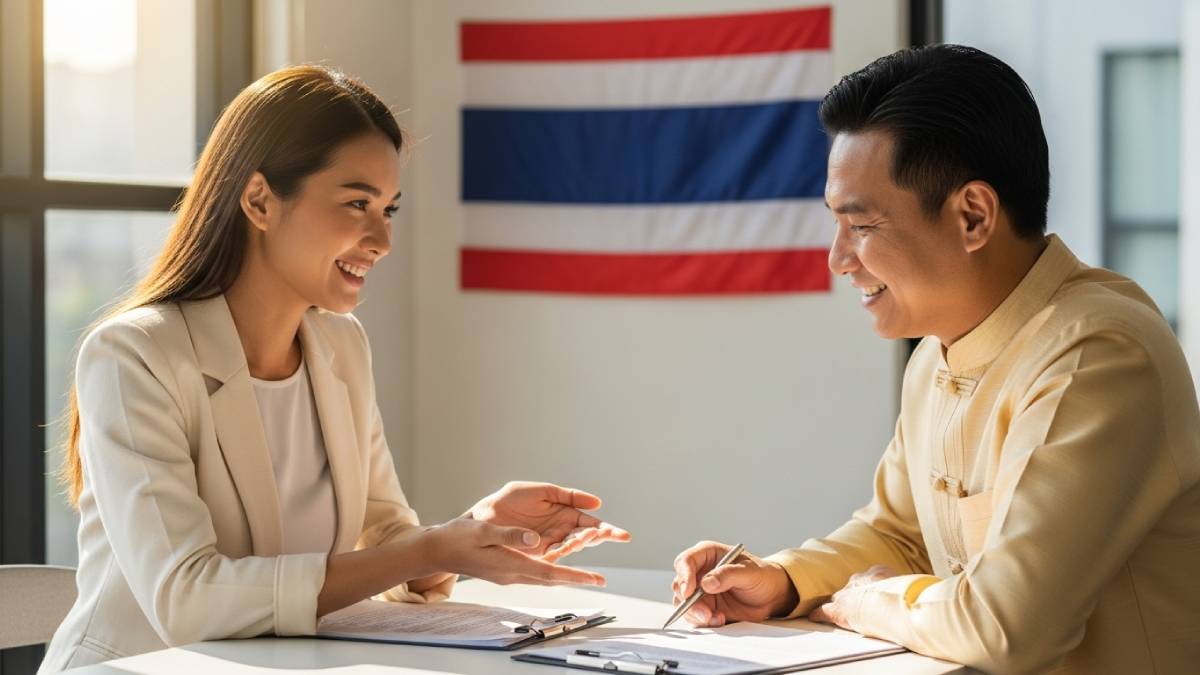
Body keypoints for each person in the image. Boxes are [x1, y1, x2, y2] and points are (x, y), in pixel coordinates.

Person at [39, 65, 630, 673]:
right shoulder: (135, 355)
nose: (382, 239)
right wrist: (427, 548)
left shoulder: (340, 346)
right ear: (260, 200)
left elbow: (383, 538)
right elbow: (187, 600)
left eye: (388, 209)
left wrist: (469, 537)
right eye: (356, 204)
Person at [670, 45, 1200, 674]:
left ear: (973, 215)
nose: (838, 259)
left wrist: (870, 600)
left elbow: (1007, 627)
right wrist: (784, 580)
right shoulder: (936, 354)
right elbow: (902, 534)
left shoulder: (1099, 355)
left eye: (860, 226)